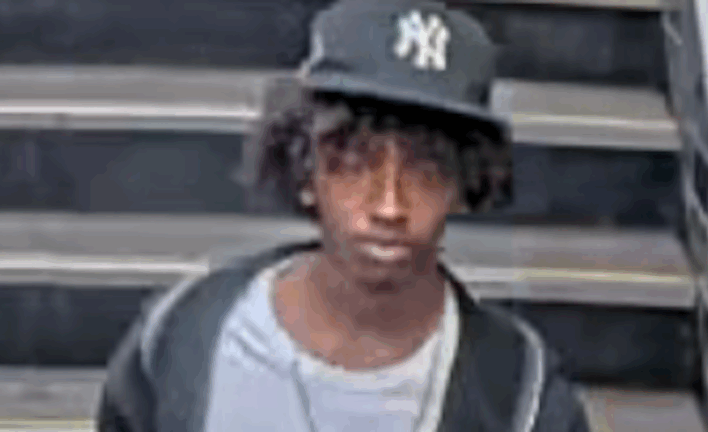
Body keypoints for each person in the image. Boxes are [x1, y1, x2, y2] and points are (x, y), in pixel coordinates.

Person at [98, 1, 589, 431]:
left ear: (465, 185)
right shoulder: (184, 336)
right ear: (304, 170)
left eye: (427, 168)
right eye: (354, 162)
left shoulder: (521, 397)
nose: (389, 205)